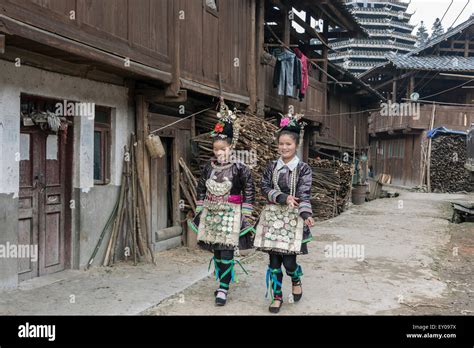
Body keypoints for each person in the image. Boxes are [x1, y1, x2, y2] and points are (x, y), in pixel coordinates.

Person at [188, 100, 255, 306]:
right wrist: (200, 207)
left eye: (223, 149)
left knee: (226, 251)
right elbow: (201, 187)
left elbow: (249, 189)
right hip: (211, 213)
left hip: (231, 213)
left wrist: (246, 212)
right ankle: (221, 281)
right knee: (216, 251)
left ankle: (224, 288)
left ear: (230, 147)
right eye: (216, 149)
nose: (219, 153)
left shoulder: (240, 168)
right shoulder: (209, 167)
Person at [254, 111, 314, 313]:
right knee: (273, 262)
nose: (284, 147)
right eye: (281, 144)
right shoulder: (272, 166)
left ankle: (295, 277)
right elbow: (263, 186)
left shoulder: (304, 169)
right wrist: (282, 197)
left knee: (289, 262)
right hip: (273, 218)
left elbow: (305, 193)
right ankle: (277, 296)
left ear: (296, 145)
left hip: (293, 219)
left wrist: (306, 214)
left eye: (288, 144)